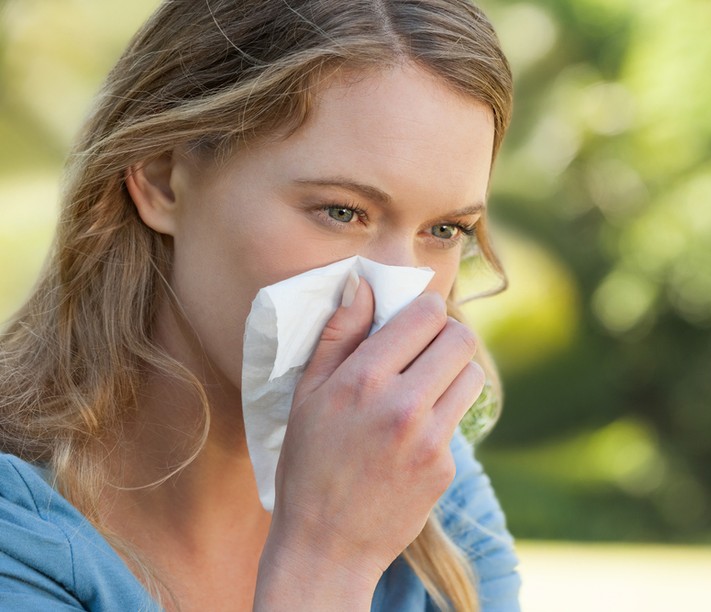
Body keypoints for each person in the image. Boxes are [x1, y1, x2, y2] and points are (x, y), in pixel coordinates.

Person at [0, 0, 519, 610]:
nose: (396, 295)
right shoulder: (23, 536)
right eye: (342, 212)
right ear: (164, 178)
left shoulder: (419, 481)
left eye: (446, 230)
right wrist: (329, 557)